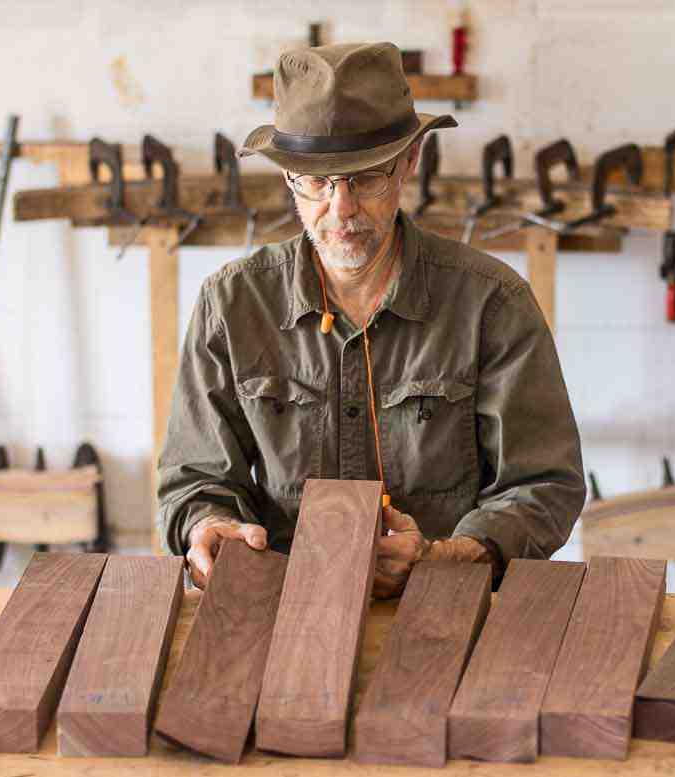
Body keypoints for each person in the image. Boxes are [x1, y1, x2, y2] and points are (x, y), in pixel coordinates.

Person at [157, 41, 585, 597]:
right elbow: (195, 480)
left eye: (365, 177)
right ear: (287, 176)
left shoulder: (492, 304)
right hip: (281, 610)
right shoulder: (231, 306)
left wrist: (445, 557)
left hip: (447, 609)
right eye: (315, 182)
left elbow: (544, 484)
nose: (340, 209)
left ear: (409, 161)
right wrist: (208, 526)